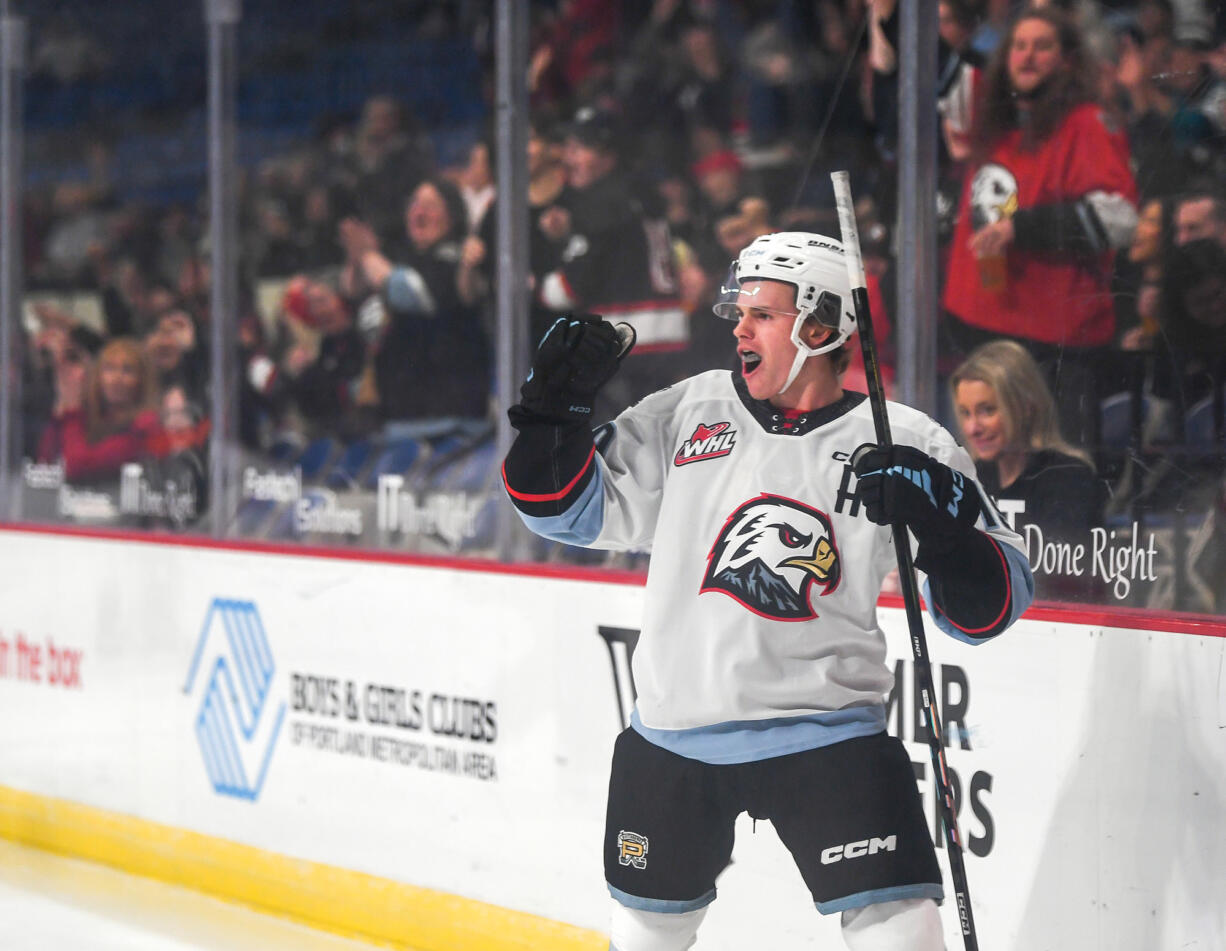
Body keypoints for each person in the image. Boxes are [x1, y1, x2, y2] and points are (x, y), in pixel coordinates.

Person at [502, 231, 1034, 951]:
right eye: (738, 311)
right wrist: (550, 413)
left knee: (905, 936)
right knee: (644, 936)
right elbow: (562, 508)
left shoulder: (905, 439)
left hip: (831, 733)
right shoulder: (691, 409)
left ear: (821, 327)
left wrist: (942, 529)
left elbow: (990, 610)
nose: (738, 328)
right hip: (675, 734)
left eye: (762, 314)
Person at [942, 7, 1139, 450]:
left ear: (1067, 60)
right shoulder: (990, 115)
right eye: (1019, 45)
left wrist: (1022, 227)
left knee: (1056, 475)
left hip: (1055, 340)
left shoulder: (1087, 123)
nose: (1027, 57)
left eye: (1042, 46)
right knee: (985, 481)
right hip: (980, 322)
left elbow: (1120, 218)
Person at [950, 340, 1107, 548]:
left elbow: (1067, 574)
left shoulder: (1069, 479)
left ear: (1025, 407)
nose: (972, 428)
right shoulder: (969, 481)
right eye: (965, 413)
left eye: (987, 410)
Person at [38, 336, 162, 483]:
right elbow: (45, 465)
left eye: (127, 370)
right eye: (109, 369)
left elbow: (77, 468)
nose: (116, 378)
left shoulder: (145, 426)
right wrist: (61, 410)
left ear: (143, 380)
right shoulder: (90, 418)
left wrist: (71, 409)